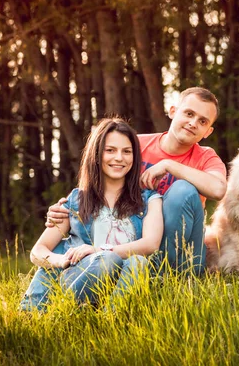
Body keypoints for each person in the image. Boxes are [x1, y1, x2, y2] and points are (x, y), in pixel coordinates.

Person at [46, 87, 227, 275]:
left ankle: (167, 277)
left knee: (182, 189)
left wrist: (170, 166)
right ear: (173, 111)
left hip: (184, 256)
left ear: (208, 131)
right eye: (189, 113)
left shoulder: (206, 157)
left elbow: (219, 189)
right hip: (136, 247)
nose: (193, 123)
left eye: (202, 121)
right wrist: (66, 209)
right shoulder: (134, 146)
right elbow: (98, 183)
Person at [20, 118, 163, 311]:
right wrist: (63, 261)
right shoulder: (77, 200)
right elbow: (38, 251)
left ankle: (108, 320)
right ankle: (73, 307)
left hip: (121, 286)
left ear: (134, 157)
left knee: (138, 262)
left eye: (126, 151)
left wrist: (100, 250)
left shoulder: (149, 200)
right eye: (110, 150)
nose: (119, 158)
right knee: (107, 260)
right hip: (78, 279)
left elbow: (151, 243)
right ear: (96, 154)